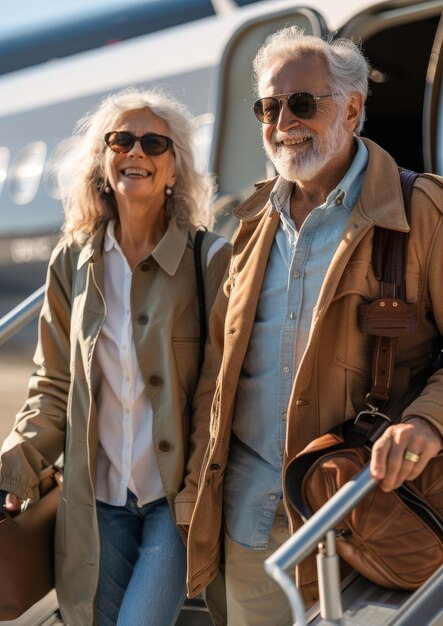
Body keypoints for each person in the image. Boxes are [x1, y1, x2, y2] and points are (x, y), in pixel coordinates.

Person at [175, 26, 443, 626]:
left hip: (362, 515)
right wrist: (198, 496)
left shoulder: (422, 211)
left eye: (302, 103)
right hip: (250, 524)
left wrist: (428, 421)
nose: (282, 122)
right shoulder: (247, 227)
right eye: (268, 107)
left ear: (352, 108)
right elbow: (217, 381)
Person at [0, 87, 230, 626]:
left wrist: (199, 490)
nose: (137, 152)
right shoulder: (71, 262)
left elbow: (219, 390)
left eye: (155, 143)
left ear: (175, 171)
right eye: (121, 140)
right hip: (95, 506)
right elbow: (53, 385)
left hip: (175, 505)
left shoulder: (210, 259)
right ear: (103, 162)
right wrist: (13, 470)